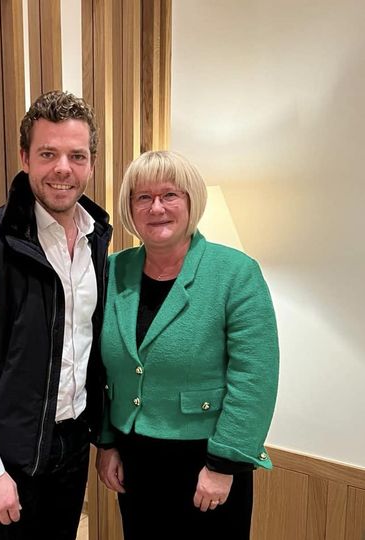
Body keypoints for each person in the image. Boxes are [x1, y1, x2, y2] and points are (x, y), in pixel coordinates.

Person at [0, 90, 112, 540]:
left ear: (91, 164)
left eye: (77, 155)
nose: (63, 168)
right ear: (25, 158)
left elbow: (91, 350)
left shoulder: (96, 239)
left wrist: (102, 435)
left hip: (72, 446)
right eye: (48, 154)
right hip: (6, 457)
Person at [96, 150, 279, 540]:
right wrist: (107, 442)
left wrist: (223, 465)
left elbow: (254, 379)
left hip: (206, 460)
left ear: (191, 201)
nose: (156, 207)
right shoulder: (113, 269)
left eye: (170, 195)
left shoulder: (235, 272)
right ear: (130, 208)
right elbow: (101, 367)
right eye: (143, 197)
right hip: (134, 457)